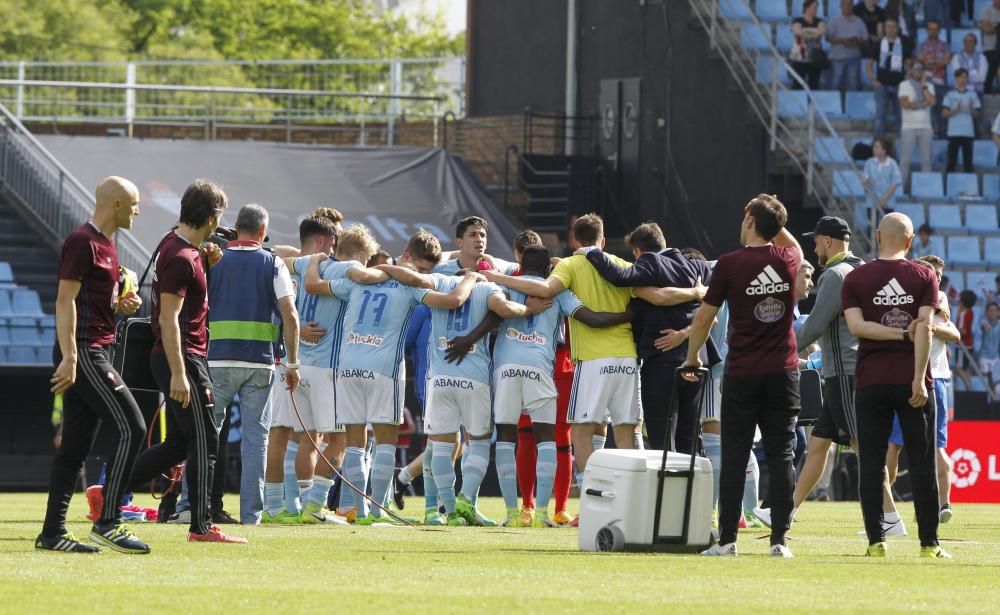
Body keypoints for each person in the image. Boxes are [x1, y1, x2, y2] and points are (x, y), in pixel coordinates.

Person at [453, 244, 631, 527]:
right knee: (548, 439)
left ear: (521, 263)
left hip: (506, 369)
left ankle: (512, 514)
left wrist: (468, 340)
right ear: (549, 267)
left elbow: (492, 316)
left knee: (507, 437)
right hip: (540, 369)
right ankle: (545, 515)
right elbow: (592, 319)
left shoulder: (508, 288)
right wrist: (629, 315)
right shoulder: (558, 292)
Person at [753, 217, 908, 537]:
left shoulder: (835, 275)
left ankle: (890, 519)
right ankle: (784, 512)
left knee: (862, 447)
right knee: (818, 445)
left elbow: (814, 326)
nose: (813, 247)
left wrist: (780, 349)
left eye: (816, 241)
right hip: (850, 370)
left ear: (828, 242)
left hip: (845, 374)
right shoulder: (861, 268)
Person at [481, 213, 643, 510]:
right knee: (588, 435)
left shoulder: (528, 281)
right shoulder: (620, 267)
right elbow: (596, 315)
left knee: (516, 434)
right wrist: (631, 316)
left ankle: (518, 511)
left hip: (534, 365)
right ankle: (558, 510)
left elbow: (497, 313)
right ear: (603, 241)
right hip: (605, 360)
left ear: (573, 240)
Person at [682, 194, 803, 558]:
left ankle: (727, 542)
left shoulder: (731, 264)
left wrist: (692, 359)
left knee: (734, 453)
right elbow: (793, 243)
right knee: (782, 453)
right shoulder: (788, 260)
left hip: (742, 372)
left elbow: (703, 318)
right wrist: (773, 214)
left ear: (749, 220)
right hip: (784, 371)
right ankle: (779, 541)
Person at [127, 179, 247, 544]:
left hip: (180, 356)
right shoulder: (182, 257)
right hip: (184, 358)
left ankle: (111, 488)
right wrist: (180, 372)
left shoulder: (176, 245)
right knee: (206, 439)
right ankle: (201, 526)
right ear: (211, 216)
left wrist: (206, 264)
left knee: (180, 443)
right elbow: (169, 319)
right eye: (219, 215)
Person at [330, 248, 483, 526]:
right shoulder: (409, 286)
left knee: (355, 444)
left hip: (348, 365)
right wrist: (471, 278)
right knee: (385, 444)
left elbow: (315, 285)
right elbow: (453, 300)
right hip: (384, 369)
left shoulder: (358, 281)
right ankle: (376, 513)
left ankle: (357, 510)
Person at [37, 176, 148, 554]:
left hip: (91, 348)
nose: (138, 210)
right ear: (115, 203)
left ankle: (51, 534)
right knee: (133, 427)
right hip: (84, 351)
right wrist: (70, 356)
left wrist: (121, 305)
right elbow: (64, 301)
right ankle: (109, 522)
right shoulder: (82, 241)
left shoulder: (108, 245)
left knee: (74, 449)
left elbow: (91, 303)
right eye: (134, 203)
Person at [390, 267, 542, 526]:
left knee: (439, 446)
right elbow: (505, 310)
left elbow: (416, 280)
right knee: (479, 443)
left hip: (439, 377)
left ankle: (444, 511)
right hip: (474, 377)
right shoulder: (486, 288)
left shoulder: (439, 284)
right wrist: (528, 309)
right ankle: (464, 499)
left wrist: (386, 268)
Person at [841, 212, 950, 558]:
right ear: (910, 240)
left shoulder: (857, 278)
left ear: (877, 236)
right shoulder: (924, 275)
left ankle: (876, 542)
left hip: (870, 381)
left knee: (871, 464)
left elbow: (857, 328)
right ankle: (929, 545)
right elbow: (925, 329)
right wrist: (918, 378)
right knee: (922, 464)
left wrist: (894, 333)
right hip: (912, 382)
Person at [205, 204, 299, 525]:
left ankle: (194, 506)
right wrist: (294, 363)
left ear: (236, 227)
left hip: (216, 360)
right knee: (255, 441)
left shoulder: (213, 259)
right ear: (262, 231)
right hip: (260, 363)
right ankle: (251, 516)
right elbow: (290, 315)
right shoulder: (273, 263)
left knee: (205, 436)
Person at [583, 222, 711, 453]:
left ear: (638, 252)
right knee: (690, 438)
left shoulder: (652, 262)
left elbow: (620, 276)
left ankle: (668, 490)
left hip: (662, 362)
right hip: (696, 360)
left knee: (664, 440)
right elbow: (713, 309)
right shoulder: (697, 267)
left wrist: (591, 251)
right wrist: (686, 332)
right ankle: (691, 490)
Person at [289, 225, 386, 524]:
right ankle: (315, 507)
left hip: (299, 362)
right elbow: (318, 288)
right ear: (359, 255)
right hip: (328, 369)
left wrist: (316, 260)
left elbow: (281, 258)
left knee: (306, 438)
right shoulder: (350, 273)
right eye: (367, 258)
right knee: (340, 440)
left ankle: (298, 504)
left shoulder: (309, 263)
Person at [262, 216, 338, 524]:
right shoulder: (326, 269)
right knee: (325, 437)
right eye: (332, 245)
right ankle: (311, 505)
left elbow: (270, 252)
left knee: (281, 435)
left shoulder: (280, 263)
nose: (334, 252)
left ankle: (276, 507)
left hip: (286, 361)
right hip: (313, 365)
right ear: (321, 242)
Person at [886, 255, 960, 525]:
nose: (936, 278)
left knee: (936, 446)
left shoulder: (938, 297)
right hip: (904, 378)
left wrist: (926, 325)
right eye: (932, 273)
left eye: (939, 274)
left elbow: (954, 334)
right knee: (893, 445)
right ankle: (887, 508)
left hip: (935, 378)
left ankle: (943, 504)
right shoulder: (909, 295)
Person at [434, 216, 518, 275]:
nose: (479, 239)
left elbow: (528, 272)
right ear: (459, 242)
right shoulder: (439, 270)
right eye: (473, 235)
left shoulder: (499, 267)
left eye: (482, 235)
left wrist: (499, 278)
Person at [898, 61, 937, 189]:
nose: (919, 71)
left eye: (921, 69)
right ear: (911, 70)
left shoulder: (929, 86)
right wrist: (921, 104)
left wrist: (924, 86)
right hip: (909, 127)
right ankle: (900, 189)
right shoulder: (904, 85)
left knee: (926, 161)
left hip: (926, 127)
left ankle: (927, 189)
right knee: (905, 161)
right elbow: (905, 103)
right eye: (916, 68)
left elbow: (932, 101)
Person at [867, 19, 906, 137]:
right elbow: (869, 65)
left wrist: (906, 83)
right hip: (882, 85)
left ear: (897, 28)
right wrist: (873, 79)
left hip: (899, 85)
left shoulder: (904, 43)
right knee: (880, 115)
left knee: (901, 115)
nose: (891, 29)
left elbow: (909, 64)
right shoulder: (878, 44)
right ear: (885, 28)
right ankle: (878, 141)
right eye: (888, 27)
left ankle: (902, 140)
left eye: (893, 26)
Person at [916, 20, 952, 137]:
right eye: (930, 29)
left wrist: (932, 62)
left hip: (941, 83)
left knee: (941, 112)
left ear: (939, 31)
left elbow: (947, 61)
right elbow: (921, 61)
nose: (933, 31)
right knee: (927, 112)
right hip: (926, 84)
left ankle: (942, 135)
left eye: (935, 29)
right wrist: (937, 63)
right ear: (927, 30)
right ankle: (928, 135)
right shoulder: (921, 45)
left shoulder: (945, 45)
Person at [827, 0, 870, 95]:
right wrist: (842, 41)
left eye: (849, 4)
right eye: (845, 4)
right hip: (837, 58)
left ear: (852, 6)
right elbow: (828, 38)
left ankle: (852, 107)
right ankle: (832, 107)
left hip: (853, 58)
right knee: (835, 84)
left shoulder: (859, 21)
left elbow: (866, 40)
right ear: (841, 6)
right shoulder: (834, 21)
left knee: (853, 86)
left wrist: (856, 41)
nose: (847, 6)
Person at [943, 68, 982, 173]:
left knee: (968, 163)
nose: (963, 79)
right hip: (953, 133)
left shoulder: (972, 95)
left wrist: (971, 109)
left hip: (968, 133)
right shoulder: (949, 95)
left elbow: (977, 115)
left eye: (965, 77)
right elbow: (944, 113)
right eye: (960, 77)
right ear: (956, 78)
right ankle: (948, 187)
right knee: (951, 162)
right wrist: (956, 110)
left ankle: (970, 188)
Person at [861, 138, 903, 225]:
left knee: (886, 229)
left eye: (877, 147)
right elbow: (865, 178)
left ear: (884, 150)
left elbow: (895, 183)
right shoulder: (869, 162)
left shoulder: (892, 164)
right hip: (872, 202)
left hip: (888, 202)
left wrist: (884, 199)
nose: (874, 149)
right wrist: (864, 181)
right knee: (872, 228)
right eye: (874, 147)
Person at [789, 0, 828, 90]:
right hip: (800, 57)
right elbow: (797, 31)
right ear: (807, 7)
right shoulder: (798, 20)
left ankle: (812, 103)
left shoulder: (819, 21)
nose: (816, 9)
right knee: (798, 84)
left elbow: (822, 31)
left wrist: (805, 30)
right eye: (814, 7)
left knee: (814, 84)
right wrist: (814, 32)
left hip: (814, 57)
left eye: (816, 7)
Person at [954, 289, 977, 390]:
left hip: (962, 346)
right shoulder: (970, 312)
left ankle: (968, 387)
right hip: (969, 345)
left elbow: (962, 331)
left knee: (960, 368)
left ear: (962, 302)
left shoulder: (963, 314)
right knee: (966, 368)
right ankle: (969, 388)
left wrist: (952, 330)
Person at [978, 302, 1000, 393]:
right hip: (984, 357)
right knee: (986, 381)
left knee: (995, 382)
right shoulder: (984, 323)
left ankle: (994, 402)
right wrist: (984, 328)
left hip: (995, 357)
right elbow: (983, 327)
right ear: (987, 312)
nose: (993, 312)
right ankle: (988, 401)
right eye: (990, 310)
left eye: (995, 310)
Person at [980, 0, 1000, 93]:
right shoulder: (986, 10)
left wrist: (995, 26)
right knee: (991, 70)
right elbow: (987, 29)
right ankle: (987, 93)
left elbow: (992, 27)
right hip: (990, 49)